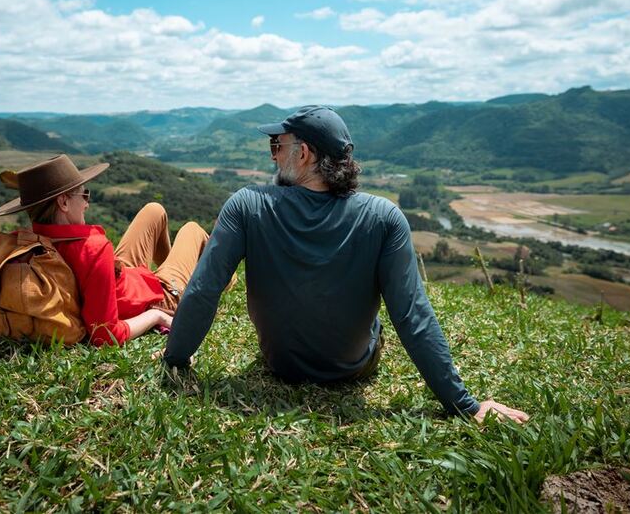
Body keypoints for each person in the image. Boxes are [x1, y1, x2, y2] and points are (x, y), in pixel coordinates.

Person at [161, 106, 529, 423]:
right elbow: (413, 316)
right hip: (351, 368)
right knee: (379, 320)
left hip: (281, 364)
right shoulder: (384, 217)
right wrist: (465, 405)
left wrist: (174, 360)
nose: (272, 155)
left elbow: (205, 288)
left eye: (277, 145)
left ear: (303, 153)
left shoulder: (247, 205)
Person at [0, 154, 209, 346]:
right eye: (83, 194)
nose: (87, 203)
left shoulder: (32, 243)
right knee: (193, 230)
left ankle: (170, 271)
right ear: (63, 203)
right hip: (154, 297)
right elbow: (104, 334)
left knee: (154, 210)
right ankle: (204, 284)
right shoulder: (94, 249)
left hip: (118, 278)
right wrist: (155, 316)